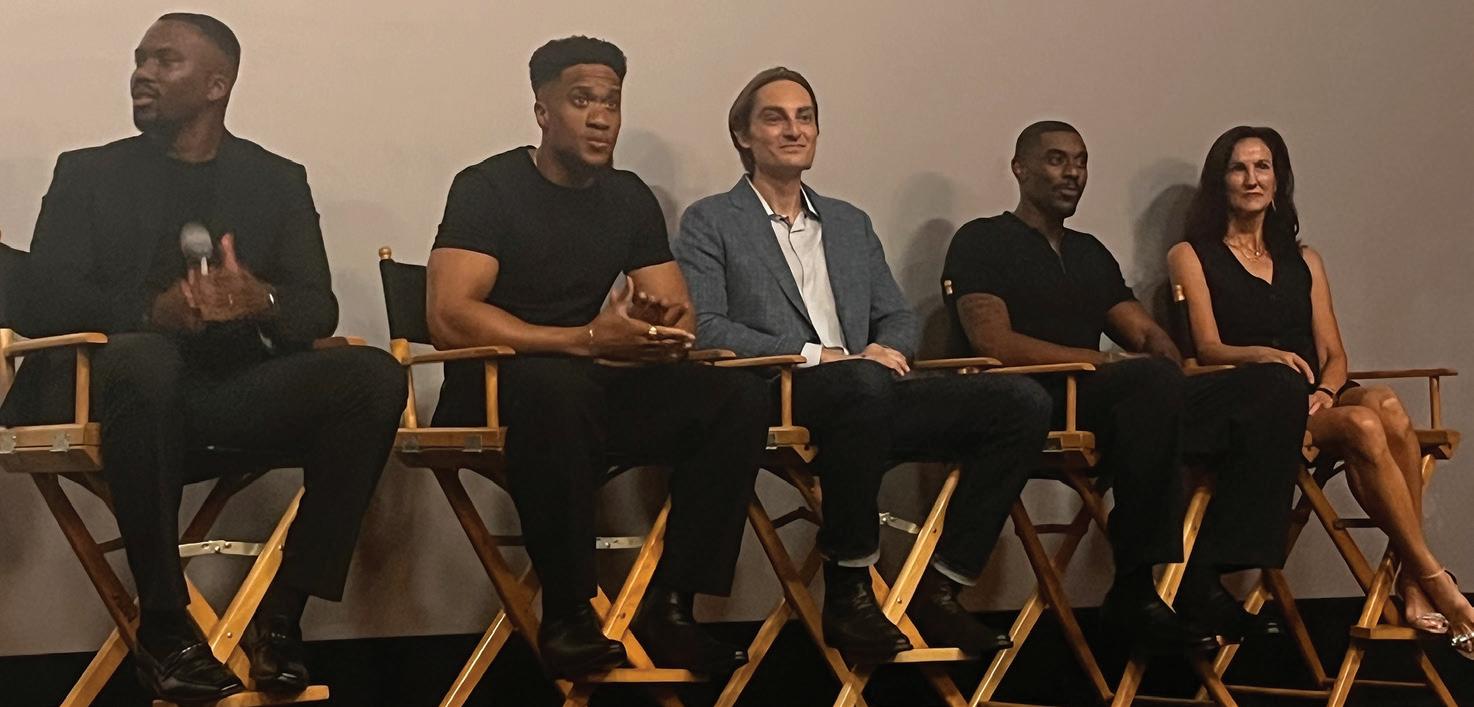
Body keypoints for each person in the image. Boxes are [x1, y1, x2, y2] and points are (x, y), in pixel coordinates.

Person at [1, 14, 407, 701]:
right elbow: (44, 296)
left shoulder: (275, 180)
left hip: (221, 395)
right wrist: (151, 313)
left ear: (217, 85)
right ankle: (164, 627)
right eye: (140, 60)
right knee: (147, 358)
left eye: (166, 61)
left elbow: (317, 307)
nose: (142, 74)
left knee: (372, 376)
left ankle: (282, 617)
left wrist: (260, 299)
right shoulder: (89, 172)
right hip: (103, 395)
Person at [674, 67, 1051, 662]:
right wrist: (816, 355)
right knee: (857, 383)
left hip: (868, 389)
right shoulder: (711, 220)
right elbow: (707, 327)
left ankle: (942, 588)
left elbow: (896, 315)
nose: (794, 130)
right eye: (775, 118)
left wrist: (886, 349)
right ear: (743, 135)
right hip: (780, 390)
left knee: (1022, 402)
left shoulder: (850, 223)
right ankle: (849, 589)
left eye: (805, 118)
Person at [425, 36, 768, 678]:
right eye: (582, 100)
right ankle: (566, 615)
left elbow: (679, 314)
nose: (601, 117)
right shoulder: (487, 187)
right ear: (542, 111)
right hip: (496, 388)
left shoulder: (629, 196)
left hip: (587, 386)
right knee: (559, 387)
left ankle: (672, 607)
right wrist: (583, 339)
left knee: (735, 397)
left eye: (611, 102)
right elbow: (448, 315)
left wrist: (654, 330)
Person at [941, 121, 1309, 654]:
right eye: (1056, 160)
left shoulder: (1089, 253)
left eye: (1081, 162)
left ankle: (1205, 574)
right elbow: (994, 341)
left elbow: (1143, 332)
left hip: (1118, 399)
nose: (1072, 173)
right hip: (1034, 400)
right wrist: (1106, 363)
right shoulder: (982, 240)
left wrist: (1165, 356)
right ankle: (1135, 588)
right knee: (1147, 382)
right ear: (1020, 169)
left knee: (1274, 387)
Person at [1168, 125, 1474, 659]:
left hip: (1320, 392)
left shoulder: (1304, 259)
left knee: (1385, 405)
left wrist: (1328, 393)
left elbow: (1334, 353)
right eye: (1239, 168)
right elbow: (1208, 347)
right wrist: (1265, 357)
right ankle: (1433, 578)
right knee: (1363, 425)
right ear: (1220, 181)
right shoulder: (1191, 255)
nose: (1252, 179)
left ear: (1278, 180)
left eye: (1263, 167)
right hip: (1261, 398)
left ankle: (1411, 577)